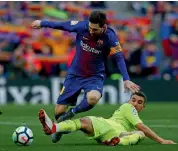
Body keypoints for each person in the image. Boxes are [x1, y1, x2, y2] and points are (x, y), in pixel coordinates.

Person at [31, 11, 140, 143]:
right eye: (90, 27)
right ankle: (59, 128)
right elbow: (63, 25)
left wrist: (126, 78)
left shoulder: (110, 36)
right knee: (59, 112)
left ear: (103, 27)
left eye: (94, 29)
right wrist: (42, 23)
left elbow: (119, 58)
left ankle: (72, 113)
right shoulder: (82, 26)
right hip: (75, 75)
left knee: (93, 98)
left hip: (95, 76)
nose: (91, 30)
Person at [38, 91, 176, 146]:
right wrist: (161, 140)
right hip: (109, 125)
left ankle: (116, 142)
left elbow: (140, 129)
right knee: (84, 122)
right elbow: (142, 127)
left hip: (117, 132)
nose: (135, 104)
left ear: (143, 107)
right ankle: (54, 128)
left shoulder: (133, 114)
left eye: (139, 103)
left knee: (139, 134)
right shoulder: (127, 107)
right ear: (129, 101)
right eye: (133, 100)